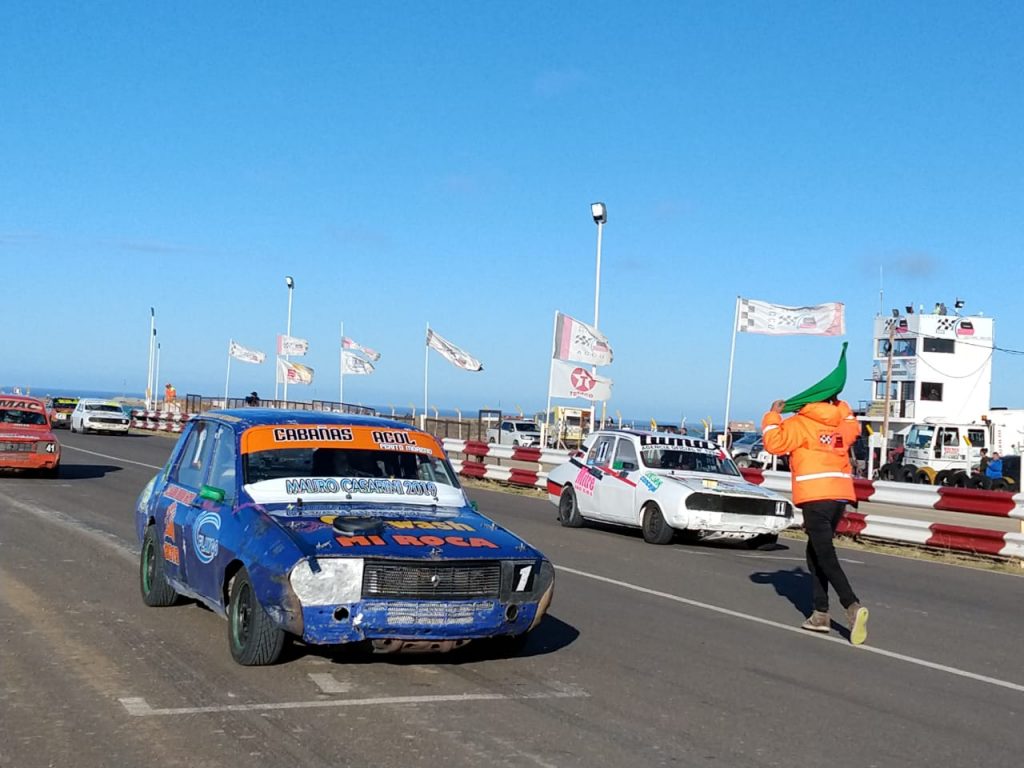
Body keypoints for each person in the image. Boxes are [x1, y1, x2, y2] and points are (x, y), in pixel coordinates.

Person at [761, 342, 869, 645]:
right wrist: (841, 405)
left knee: (824, 553)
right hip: (839, 497)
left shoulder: (799, 423)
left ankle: (851, 605)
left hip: (815, 495)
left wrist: (772, 416)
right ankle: (820, 614)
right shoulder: (839, 424)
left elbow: (774, 444)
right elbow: (853, 428)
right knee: (813, 553)